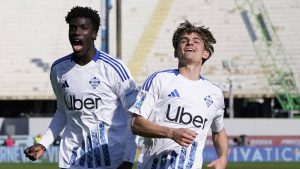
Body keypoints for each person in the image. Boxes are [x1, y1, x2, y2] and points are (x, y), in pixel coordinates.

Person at [24, 6, 138, 169]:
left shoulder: (114, 68)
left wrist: (128, 159)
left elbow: (133, 115)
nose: (77, 32)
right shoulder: (58, 69)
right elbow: (62, 110)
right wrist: (43, 144)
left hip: (111, 158)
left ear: (94, 34)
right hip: (72, 159)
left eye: (84, 28)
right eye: (73, 28)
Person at [129, 20, 228, 169]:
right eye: (184, 41)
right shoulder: (159, 79)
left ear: (205, 53)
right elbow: (136, 124)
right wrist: (170, 132)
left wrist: (223, 157)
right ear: (176, 52)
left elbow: (218, 131)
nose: (189, 43)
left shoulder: (215, 93)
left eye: (196, 41)